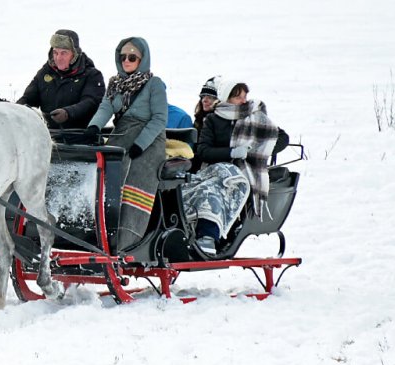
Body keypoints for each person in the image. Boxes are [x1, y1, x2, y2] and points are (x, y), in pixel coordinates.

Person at [184, 77, 282, 255]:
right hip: (216, 169)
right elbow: (204, 151)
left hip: (246, 171)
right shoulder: (213, 120)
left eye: (244, 97)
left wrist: (257, 151)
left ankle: (208, 235)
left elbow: (279, 138)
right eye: (238, 97)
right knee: (204, 188)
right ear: (226, 98)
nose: (243, 101)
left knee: (216, 189)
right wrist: (232, 152)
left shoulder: (254, 118)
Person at [85, 37, 167, 250]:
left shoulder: (154, 84)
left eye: (132, 57)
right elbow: (105, 108)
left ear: (142, 59)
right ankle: (97, 230)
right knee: (103, 176)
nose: (126, 61)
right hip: (122, 136)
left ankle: (126, 237)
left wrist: (141, 144)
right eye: (123, 57)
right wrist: (93, 127)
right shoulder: (115, 84)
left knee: (134, 178)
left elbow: (159, 119)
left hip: (148, 141)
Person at [18, 29, 106, 132]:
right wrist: (14, 108)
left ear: (75, 54)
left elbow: (91, 103)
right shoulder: (44, 73)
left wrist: (68, 113)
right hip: (47, 133)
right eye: (55, 53)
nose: (58, 58)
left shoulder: (92, 75)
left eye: (64, 53)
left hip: (80, 135)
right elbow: (28, 98)